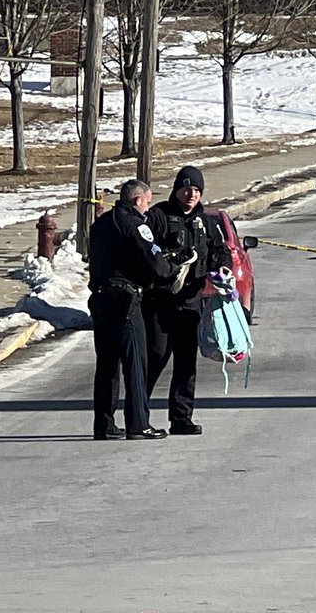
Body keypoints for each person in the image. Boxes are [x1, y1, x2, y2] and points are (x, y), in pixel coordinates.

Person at [144, 165, 228, 435]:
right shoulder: (159, 216)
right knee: (156, 356)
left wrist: (223, 266)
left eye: (196, 190)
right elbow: (145, 250)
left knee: (185, 363)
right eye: (186, 189)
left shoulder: (206, 222)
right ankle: (138, 414)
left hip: (191, 302)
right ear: (177, 190)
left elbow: (219, 250)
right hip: (161, 301)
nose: (191, 194)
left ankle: (181, 418)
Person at [88, 179, 173, 441]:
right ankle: (138, 423)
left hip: (100, 299)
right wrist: (172, 268)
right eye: (147, 203)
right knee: (136, 362)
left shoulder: (100, 225)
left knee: (106, 364)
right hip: (125, 300)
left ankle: (104, 424)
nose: (148, 209)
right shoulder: (136, 225)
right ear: (137, 201)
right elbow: (155, 263)